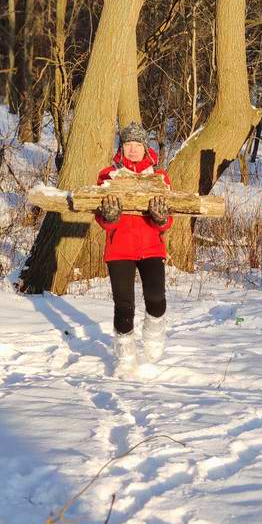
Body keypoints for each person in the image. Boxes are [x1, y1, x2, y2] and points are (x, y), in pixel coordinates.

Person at [95, 121, 173, 368]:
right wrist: (109, 216)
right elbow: (100, 218)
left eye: (137, 145)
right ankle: (126, 357)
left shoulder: (159, 176)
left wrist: (161, 218)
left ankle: (153, 337)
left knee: (156, 298)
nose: (132, 150)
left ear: (145, 147)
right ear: (122, 147)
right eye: (128, 144)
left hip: (151, 247)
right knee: (124, 305)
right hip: (120, 249)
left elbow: (168, 219)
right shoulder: (109, 175)